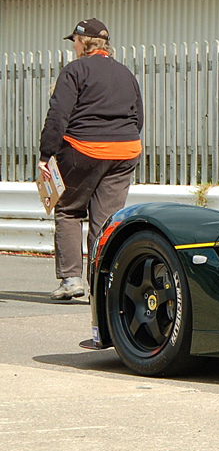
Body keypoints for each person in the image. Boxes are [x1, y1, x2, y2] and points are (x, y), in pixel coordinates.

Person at [38, 18, 143, 300]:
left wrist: (46, 154)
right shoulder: (125, 73)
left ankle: (72, 280)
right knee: (106, 220)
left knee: (69, 210)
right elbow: (138, 117)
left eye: (74, 40)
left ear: (84, 42)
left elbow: (58, 114)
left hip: (83, 149)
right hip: (125, 151)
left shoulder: (75, 70)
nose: (73, 45)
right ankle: (103, 284)